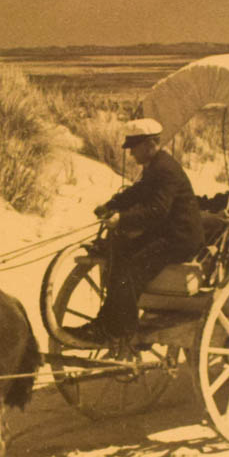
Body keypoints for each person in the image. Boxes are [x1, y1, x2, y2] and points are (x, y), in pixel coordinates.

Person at [79, 117, 205, 346]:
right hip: (168, 234)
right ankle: (106, 323)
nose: (131, 154)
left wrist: (121, 218)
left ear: (150, 144)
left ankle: (120, 330)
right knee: (119, 256)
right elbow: (138, 192)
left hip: (180, 238)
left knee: (130, 269)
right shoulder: (157, 165)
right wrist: (112, 204)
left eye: (134, 148)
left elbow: (157, 210)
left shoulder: (165, 170)